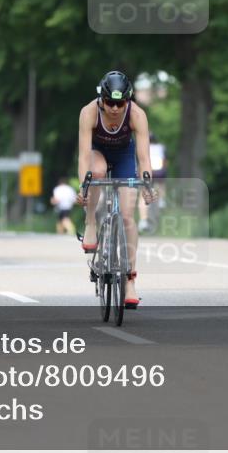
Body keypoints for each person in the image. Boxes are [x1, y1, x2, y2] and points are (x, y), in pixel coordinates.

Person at [76, 71, 156, 310]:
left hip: (123, 155)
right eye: (109, 102)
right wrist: (84, 187)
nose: (114, 108)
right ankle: (91, 222)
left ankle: (130, 281)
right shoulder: (88, 112)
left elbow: (144, 158)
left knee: (128, 216)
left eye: (120, 103)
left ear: (128, 100)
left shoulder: (137, 114)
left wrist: (147, 184)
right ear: (101, 98)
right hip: (97, 152)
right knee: (97, 171)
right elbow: (83, 158)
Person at [138, 133, 167, 234]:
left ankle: (143, 220)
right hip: (159, 172)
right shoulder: (161, 147)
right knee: (161, 184)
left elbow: (140, 163)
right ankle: (162, 199)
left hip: (147, 172)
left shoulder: (142, 147)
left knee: (143, 195)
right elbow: (164, 161)